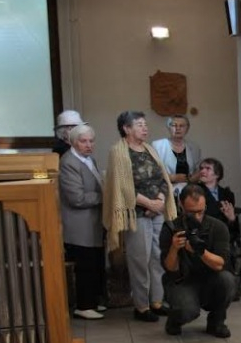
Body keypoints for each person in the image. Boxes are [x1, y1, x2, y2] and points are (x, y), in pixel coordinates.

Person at [103, 110, 176, 322]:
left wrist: (160, 200)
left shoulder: (149, 149)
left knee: (157, 257)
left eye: (145, 124)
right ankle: (142, 306)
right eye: (139, 125)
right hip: (136, 214)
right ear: (126, 129)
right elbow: (122, 187)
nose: (145, 128)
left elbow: (162, 178)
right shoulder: (118, 152)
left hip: (157, 211)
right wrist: (148, 203)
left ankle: (157, 301)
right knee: (139, 260)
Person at [158, 183, 237, 338]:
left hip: (210, 279)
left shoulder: (218, 227)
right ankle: (175, 319)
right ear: (181, 206)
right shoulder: (171, 228)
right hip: (182, 281)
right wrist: (174, 248)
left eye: (200, 211)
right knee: (188, 311)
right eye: (191, 212)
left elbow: (220, 264)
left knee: (228, 280)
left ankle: (216, 322)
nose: (196, 217)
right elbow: (170, 269)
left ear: (205, 205)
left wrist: (199, 251)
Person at [59, 124, 107, 320]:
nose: (89, 145)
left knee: (95, 264)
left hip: (93, 223)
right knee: (85, 266)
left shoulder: (89, 159)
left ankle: (93, 302)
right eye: (83, 141)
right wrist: (105, 196)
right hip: (79, 225)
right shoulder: (68, 162)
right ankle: (84, 305)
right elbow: (76, 198)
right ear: (73, 142)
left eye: (91, 141)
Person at [151, 114, 201, 197]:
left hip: (188, 192)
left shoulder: (194, 147)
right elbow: (151, 171)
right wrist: (172, 178)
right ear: (168, 127)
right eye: (174, 125)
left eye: (182, 126)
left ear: (187, 129)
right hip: (164, 192)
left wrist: (191, 178)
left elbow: (198, 170)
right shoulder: (157, 145)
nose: (178, 128)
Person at [191, 157, 239, 237]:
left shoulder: (227, 194)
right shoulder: (194, 191)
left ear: (217, 174)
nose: (202, 171)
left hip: (223, 235)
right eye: (201, 168)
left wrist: (232, 219)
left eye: (208, 168)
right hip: (203, 235)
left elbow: (234, 229)